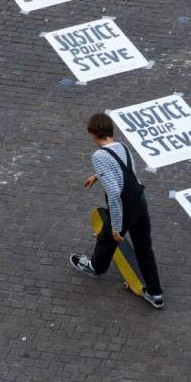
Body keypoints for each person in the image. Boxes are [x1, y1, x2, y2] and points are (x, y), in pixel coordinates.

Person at [70, 112, 164, 309]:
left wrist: (117, 228)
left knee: (106, 238)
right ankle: (156, 294)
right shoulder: (123, 147)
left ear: (94, 134)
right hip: (140, 201)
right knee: (144, 249)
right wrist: (97, 176)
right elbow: (124, 172)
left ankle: (95, 267)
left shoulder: (98, 155)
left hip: (124, 208)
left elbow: (113, 194)